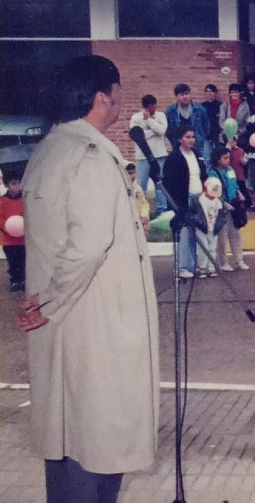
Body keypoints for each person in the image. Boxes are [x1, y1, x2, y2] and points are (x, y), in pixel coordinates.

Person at [16, 55, 158, 503]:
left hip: (70, 321)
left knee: (68, 433)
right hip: (97, 323)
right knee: (94, 441)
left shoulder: (50, 149)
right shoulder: (91, 155)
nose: (120, 101)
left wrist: (48, 303)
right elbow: (89, 244)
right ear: (102, 96)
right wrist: (51, 301)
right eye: (117, 92)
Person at [163, 126, 207, 278]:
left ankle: (192, 265)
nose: (191, 140)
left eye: (193, 137)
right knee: (184, 232)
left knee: (195, 232)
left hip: (198, 196)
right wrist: (177, 204)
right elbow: (169, 182)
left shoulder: (197, 154)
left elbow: (203, 175)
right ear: (180, 139)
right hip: (183, 198)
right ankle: (181, 267)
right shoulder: (174, 158)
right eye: (187, 137)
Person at [209, 146, 249, 271]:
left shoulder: (231, 169)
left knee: (236, 234)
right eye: (225, 158)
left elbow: (235, 184)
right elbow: (213, 192)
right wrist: (223, 203)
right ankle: (223, 262)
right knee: (222, 237)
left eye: (228, 157)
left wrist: (239, 193)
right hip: (222, 209)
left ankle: (239, 260)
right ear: (217, 159)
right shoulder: (213, 173)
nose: (228, 160)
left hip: (234, 206)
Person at [129, 94, 169, 214]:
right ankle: (140, 211)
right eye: (150, 107)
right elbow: (136, 135)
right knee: (141, 184)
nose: (153, 109)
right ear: (144, 107)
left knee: (160, 184)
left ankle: (163, 210)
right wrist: (152, 132)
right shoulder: (136, 118)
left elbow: (162, 131)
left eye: (154, 107)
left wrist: (149, 121)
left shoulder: (161, 116)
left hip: (159, 154)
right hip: (142, 156)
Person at [165, 83, 210, 158]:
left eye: (187, 94)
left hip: (197, 144)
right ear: (176, 96)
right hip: (178, 145)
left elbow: (206, 127)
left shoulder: (200, 109)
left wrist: (200, 138)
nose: (185, 97)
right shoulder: (171, 111)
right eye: (182, 94)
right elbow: (168, 129)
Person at [194, 177, 227, 278]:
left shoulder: (218, 202)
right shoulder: (199, 200)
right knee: (203, 248)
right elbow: (195, 214)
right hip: (202, 228)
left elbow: (221, 216)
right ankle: (202, 267)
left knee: (212, 248)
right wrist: (199, 223)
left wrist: (218, 225)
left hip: (213, 229)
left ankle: (211, 267)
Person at [0, 172, 25, 292]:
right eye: (13, 183)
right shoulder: (2, 201)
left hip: (23, 239)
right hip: (8, 240)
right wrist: (7, 227)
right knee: (12, 261)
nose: (17, 186)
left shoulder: (24, 199)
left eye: (19, 183)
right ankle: (15, 280)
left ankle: (23, 279)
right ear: (7, 185)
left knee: (22, 260)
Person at [125, 163, 150, 235]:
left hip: (138, 220)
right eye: (129, 173)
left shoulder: (137, 188)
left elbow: (144, 203)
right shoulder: (119, 190)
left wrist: (144, 216)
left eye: (134, 172)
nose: (133, 176)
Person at [202, 84, 223, 153]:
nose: (209, 94)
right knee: (207, 155)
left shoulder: (220, 105)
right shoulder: (202, 106)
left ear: (215, 93)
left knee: (218, 155)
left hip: (217, 134)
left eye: (211, 91)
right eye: (207, 92)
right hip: (206, 134)